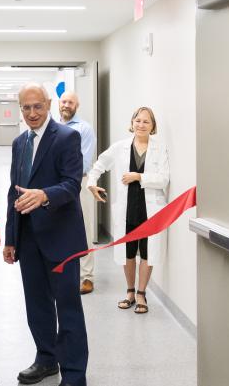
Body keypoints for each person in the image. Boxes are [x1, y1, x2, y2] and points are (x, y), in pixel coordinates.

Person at [4, 84, 89, 386]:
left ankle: (75, 375)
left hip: (61, 239)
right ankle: (45, 359)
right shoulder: (19, 143)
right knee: (37, 305)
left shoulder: (67, 137)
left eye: (37, 106)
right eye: (25, 108)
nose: (31, 113)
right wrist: (11, 237)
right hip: (29, 239)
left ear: (48, 104)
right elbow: (13, 191)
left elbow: (71, 185)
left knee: (68, 309)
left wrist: (43, 195)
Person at [87, 107, 169, 314]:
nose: (141, 125)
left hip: (150, 211)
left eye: (146, 122)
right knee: (128, 252)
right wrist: (91, 183)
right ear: (132, 122)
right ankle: (130, 292)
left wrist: (139, 177)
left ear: (152, 127)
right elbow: (99, 164)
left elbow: (164, 179)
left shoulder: (160, 149)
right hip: (128, 209)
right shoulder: (120, 147)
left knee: (148, 254)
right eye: (138, 120)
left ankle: (142, 294)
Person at [59, 91, 98, 295]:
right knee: (60, 229)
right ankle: (65, 273)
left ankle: (87, 277)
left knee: (84, 230)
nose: (66, 105)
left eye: (70, 102)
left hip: (77, 184)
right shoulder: (52, 127)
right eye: (64, 101)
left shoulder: (84, 129)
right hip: (56, 186)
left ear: (77, 105)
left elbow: (83, 162)